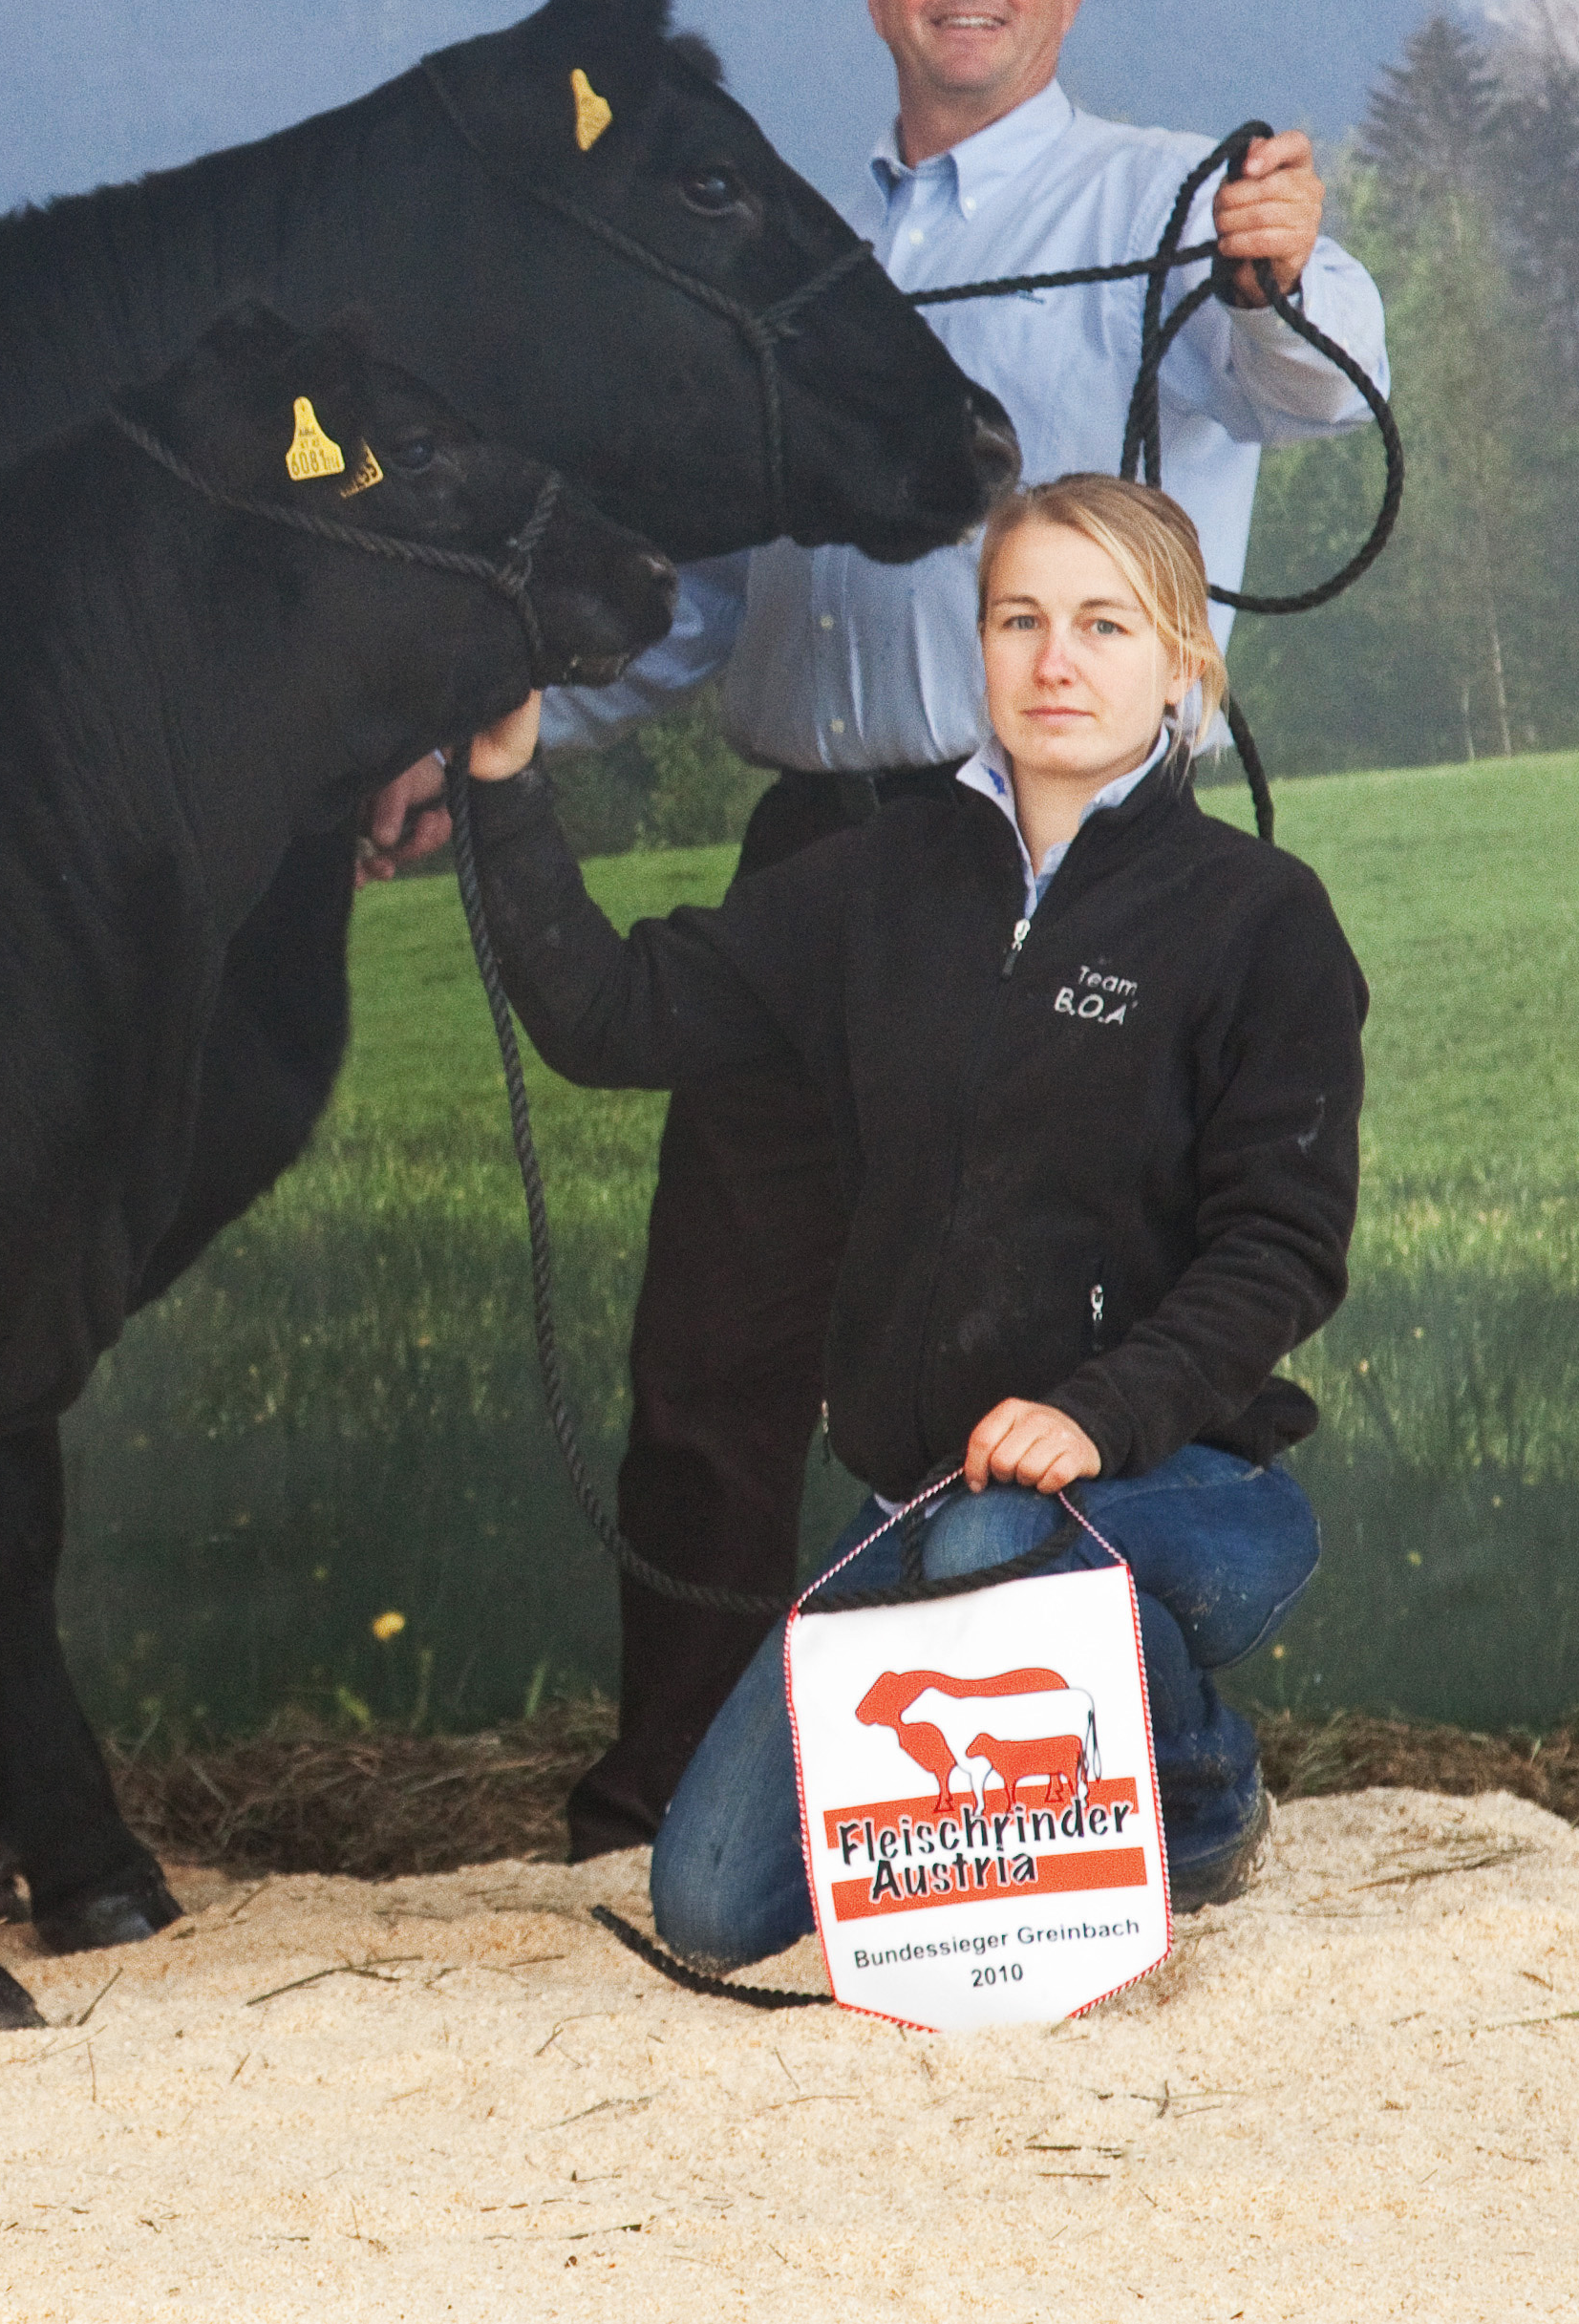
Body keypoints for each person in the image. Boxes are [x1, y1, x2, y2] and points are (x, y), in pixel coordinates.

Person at [349, 0, 1393, 1856]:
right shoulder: (795, 236)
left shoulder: (1169, 201)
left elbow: (1312, 381)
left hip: (1089, 862)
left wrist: (1279, 262)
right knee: (713, 1347)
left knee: (1051, 1345)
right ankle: (675, 1779)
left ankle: (1109, 1765)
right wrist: (483, 737)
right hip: (829, 863)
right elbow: (711, 599)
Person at [453, 473, 1359, 1950]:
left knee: (999, 1538)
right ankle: (1039, 1754)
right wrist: (502, 784)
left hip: (1182, 1488)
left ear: (1183, 661)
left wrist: (1097, 1411)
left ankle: (1201, 1792)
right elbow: (611, 1013)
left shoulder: (1259, 916)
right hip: (922, 1506)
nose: (1055, 660)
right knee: (708, 1899)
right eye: (1019, 619)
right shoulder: (873, 884)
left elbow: (1284, 1246)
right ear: (979, 644)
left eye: (1104, 624)